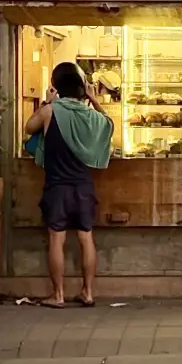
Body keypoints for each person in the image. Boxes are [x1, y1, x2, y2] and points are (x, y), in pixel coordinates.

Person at [25, 62, 113, 308]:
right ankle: (88, 293)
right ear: (82, 89)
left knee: (56, 240)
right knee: (86, 239)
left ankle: (59, 295)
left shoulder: (50, 111)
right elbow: (108, 123)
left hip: (57, 187)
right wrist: (94, 99)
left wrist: (47, 102)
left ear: (56, 87)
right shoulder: (91, 115)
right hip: (83, 187)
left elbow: (28, 127)